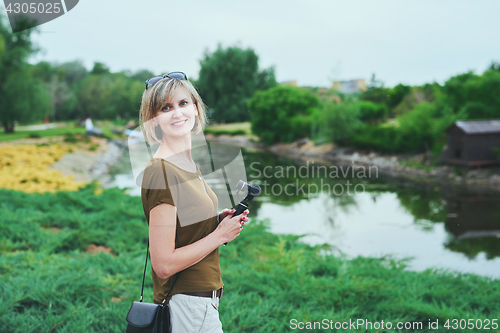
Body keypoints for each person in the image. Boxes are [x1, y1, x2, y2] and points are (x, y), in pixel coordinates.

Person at [138, 71, 249, 333]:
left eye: (183, 103)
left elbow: (182, 230)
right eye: (165, 108)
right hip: (187, 305)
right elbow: (163, 264)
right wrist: (219, 235)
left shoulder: (186, 163)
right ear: (153, 120)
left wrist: (215, 223)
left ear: (196, 108)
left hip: (200, 303)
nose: (177, 113)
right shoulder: (162, 171)